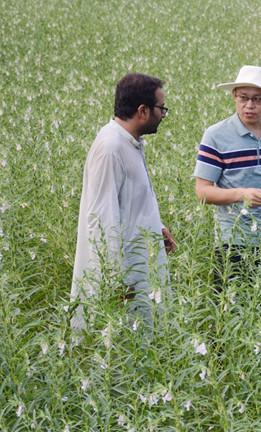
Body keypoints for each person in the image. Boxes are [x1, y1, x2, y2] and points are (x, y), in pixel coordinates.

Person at [70, 73, 176, 331]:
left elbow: (131, 200)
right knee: (124, 348)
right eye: (161, 109)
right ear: (143, 111)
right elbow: (102, 219)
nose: (163, 115)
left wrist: (156, 227)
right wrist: (115, 282)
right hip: (126, 275)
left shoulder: (131, 143)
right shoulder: (111, 148)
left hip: (141, 263)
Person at [194, 65, 261, 289]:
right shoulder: (215, 135)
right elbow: (202, 191)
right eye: (243, 97)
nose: (249, 105)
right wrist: (241, 194)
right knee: (232, 312)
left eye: (258, 99)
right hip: (233, 243)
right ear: (234, 96)